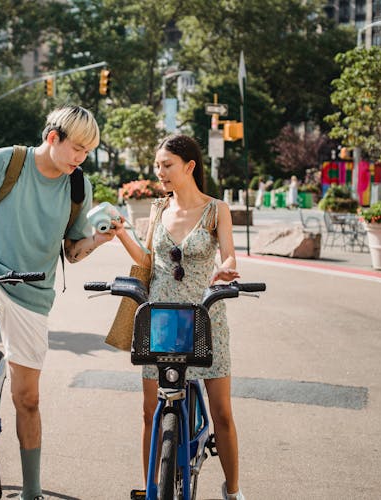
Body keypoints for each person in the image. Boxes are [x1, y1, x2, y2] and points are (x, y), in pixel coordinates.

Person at [0, 105, 117, 500]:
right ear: (53, 138)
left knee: (28, 399)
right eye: (77, 148)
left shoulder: (77, 186)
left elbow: (72, 251)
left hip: (33, 292)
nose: (81, 158)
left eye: (87, 152)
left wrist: (97, 241)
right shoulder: (8, 161)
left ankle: (31, 491)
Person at [112, 134, 245, 500]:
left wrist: (227, 270)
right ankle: (152, 488)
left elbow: (229, 255)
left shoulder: (217, 209)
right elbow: (146, 261)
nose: (160, 173)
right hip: (161, 322)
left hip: (206, 319)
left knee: (222, 414)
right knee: (149, 412)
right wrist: (122, 232)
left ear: (189, 166)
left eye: (167, 165)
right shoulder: (157, 210)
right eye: (157, 166)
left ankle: (233, 492)